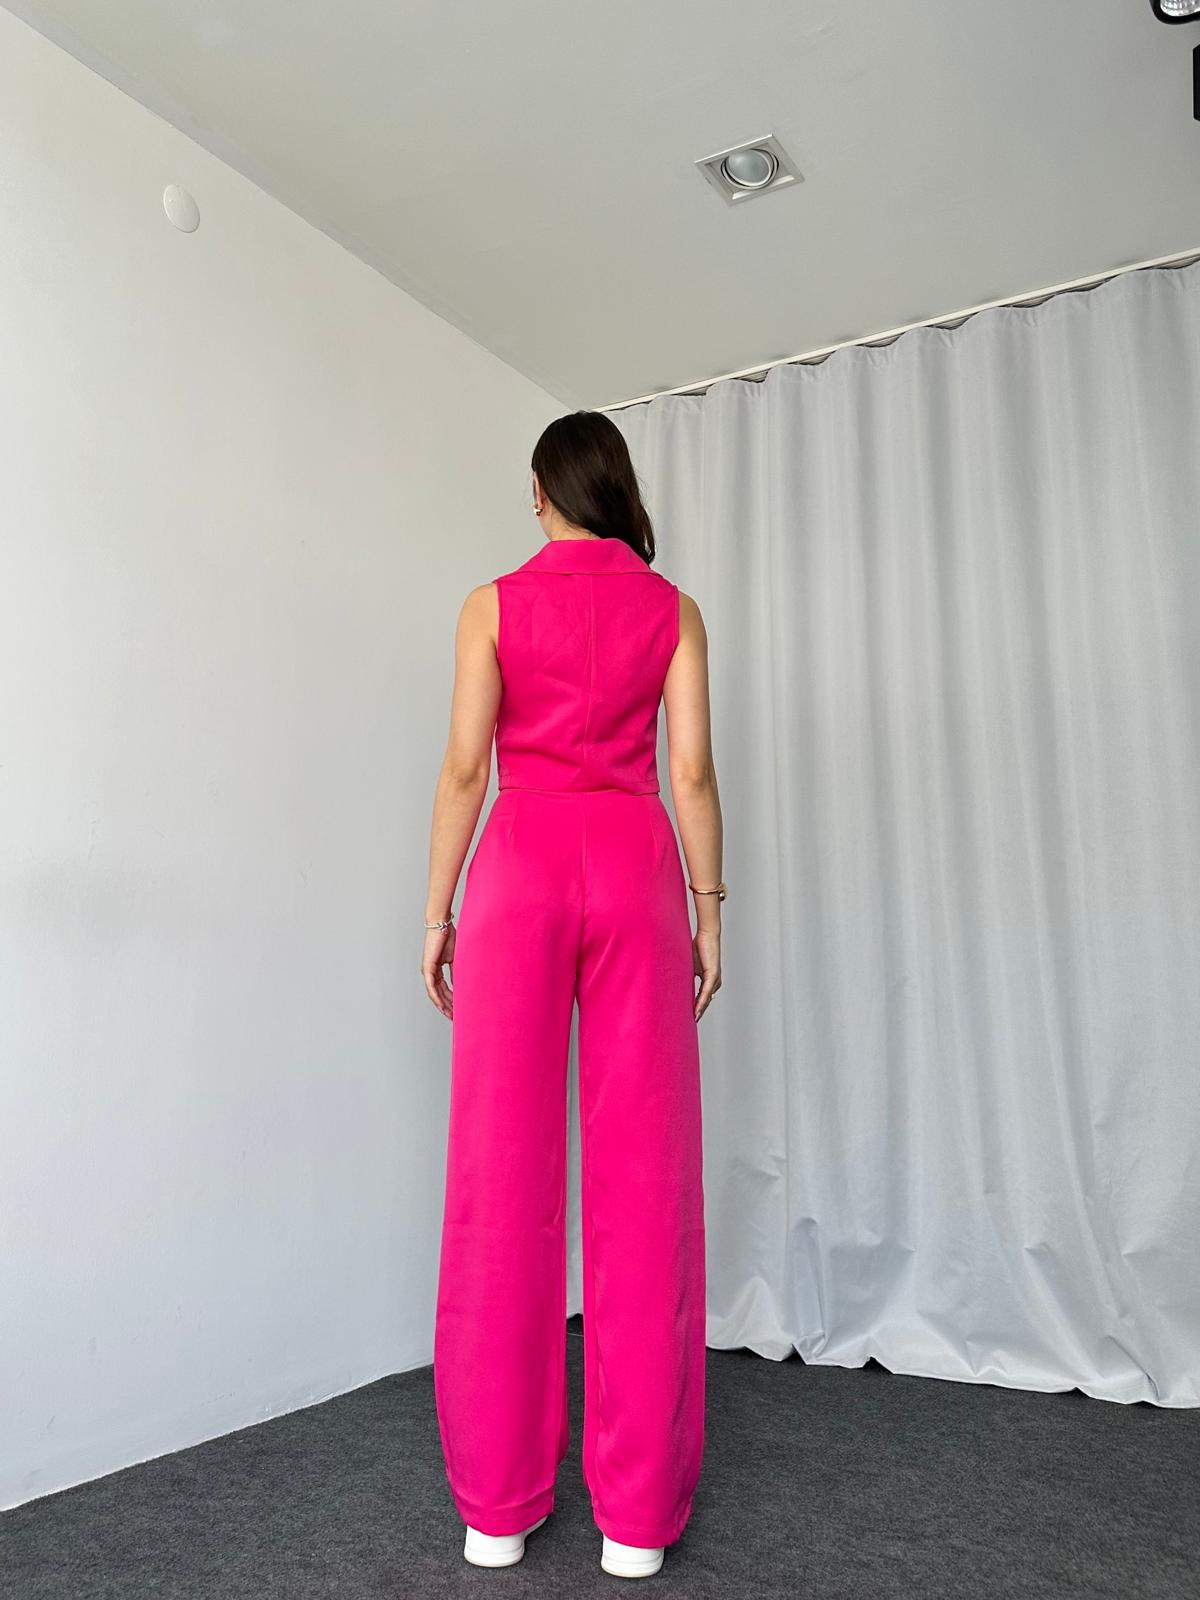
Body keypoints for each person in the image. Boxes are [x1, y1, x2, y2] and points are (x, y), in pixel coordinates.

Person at [421, 410, 724, 1579]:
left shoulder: (491, 605)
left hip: (520, 874)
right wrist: (708, 909)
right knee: (645, 1183)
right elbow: (689, 771)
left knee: (501, 1178)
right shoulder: (673, 611)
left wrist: (437, 914)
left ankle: (496, 1509)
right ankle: (635, 1522)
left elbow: (466, 767)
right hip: (636, 870)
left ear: (545, 494)